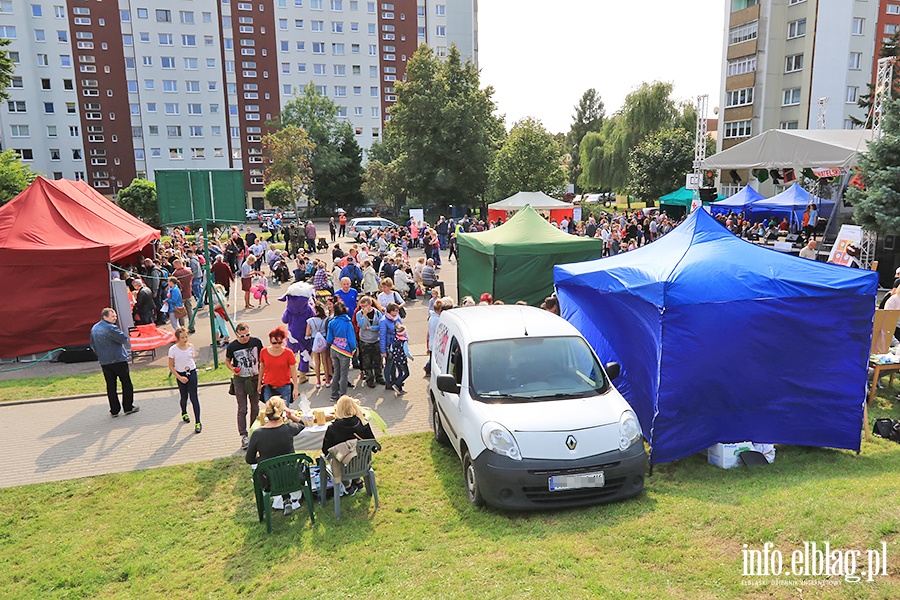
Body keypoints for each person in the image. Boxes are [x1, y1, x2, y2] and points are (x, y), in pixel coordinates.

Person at [245, 397, 307, 515]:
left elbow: (249, 459)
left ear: (266, 415)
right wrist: (290, 416)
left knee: (272, 469)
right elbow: (302, 424)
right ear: (281, 413)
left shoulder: (257, 434)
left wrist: (261, 460)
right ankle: (286, 498)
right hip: (293, 477)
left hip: (269, 480)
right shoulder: (289, 429)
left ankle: (285, 500)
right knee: (284, 467)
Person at [321, 395, 376, 496]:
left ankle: (348, 486)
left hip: (343, 466)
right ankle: (358, 481)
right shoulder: (363, 424)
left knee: (338, 457)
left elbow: (325, 450)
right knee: (355, 455)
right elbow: (373, 445)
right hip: (362, 464)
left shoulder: (333, 428)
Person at [90, 308, 138, 418]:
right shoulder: (111, 328)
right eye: (113, 316)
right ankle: (128, 407)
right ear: (105, 317)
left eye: (115, 316)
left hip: (104, 361)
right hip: (118, 359)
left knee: (111, 386)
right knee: (126, 383)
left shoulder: (94, 328)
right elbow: (124, 339)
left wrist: (100, 355)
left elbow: (92, 345)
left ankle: (114, 410)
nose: (115, 318)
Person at [226, 322, 264, 450]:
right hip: (240, 380)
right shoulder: (232, 346)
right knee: (242, 408)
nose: (246, 338)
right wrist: (232, 368)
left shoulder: (256, 342)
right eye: (242, 336)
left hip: (254, 378)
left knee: (255, 406)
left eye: (247, 334)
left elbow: (262, 358)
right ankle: (244, 435)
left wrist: (262, 375)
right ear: (237, 335)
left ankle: (254, 431)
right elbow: (227, 361)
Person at [167, 327, 202, 432]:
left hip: (191, 372)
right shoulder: (173, 350)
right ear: (178, 338)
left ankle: (198, 422)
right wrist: (180, 377)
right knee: (184, 397)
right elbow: (171, 366)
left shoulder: (191, 347)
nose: (185, 339)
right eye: (182, 337)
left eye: (186, 337)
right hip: (180, 374)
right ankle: (184, 412)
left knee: (194, 397)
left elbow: (191, 359)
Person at [258, 327, 300, 405]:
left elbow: (293, 371)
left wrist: (295, 388)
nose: (277, 345)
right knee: (270, 410)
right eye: (274, 343)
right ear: (270, 341)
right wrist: (259, 383)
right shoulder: (264, 352)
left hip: (284, 386)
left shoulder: (288, 353)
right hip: (268, 386)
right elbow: (262, 368)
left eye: (279, 342)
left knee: (284, 411)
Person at [326, 299, 357, 401]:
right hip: (345, 351)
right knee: (344, 374)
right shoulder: (347, 323)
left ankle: (333, 394)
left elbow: (329, 339)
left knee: (336, 373)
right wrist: (354, 348)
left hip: (334, 349)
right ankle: (343, 395)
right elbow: (351, 339)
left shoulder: (332, 322)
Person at [356, 296, 384, 388]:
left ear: (370, 304)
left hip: (376, 340)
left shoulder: (377, 313)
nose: (363, 308)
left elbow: (380, 326)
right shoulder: (359, 314)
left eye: (365, 306)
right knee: (367, 362)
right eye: (361, 306)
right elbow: (362, 326)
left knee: (378, 360)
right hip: (365, 341)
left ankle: (379, 377)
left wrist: (371, 328)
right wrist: (364, 315)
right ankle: (370, 379)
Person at [306, 302, 332, 389]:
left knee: (317, 363)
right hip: (323, 340)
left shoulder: (310, 320)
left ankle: (318, 381)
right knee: (325, 361)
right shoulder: (326, 319)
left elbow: (307, 333)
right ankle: (327, 380)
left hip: (314, 340)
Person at [380, 302, 402, 392]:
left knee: (394, 364)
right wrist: (383, 351)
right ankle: (388, 382)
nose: (397, 313)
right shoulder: (384, 321)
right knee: (388, 364)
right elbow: (382, 336)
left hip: (396, 344)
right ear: (390, 311)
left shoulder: (396, 319)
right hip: (389, 345)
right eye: (395, 311)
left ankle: (394, 379)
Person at [172, 259, 195, 333]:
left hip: (180, 295)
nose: (174, 266)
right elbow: (191, 279)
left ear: (178, 264)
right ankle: (192, 326)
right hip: (188, 293)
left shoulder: (176, 274)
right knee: (189, 311)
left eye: (174, 265)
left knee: (181, 312)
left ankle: (182, 328)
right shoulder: (188, 271)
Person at [390, 323, 414, 395]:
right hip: (402, 360)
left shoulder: (395, 338)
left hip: (396, 359)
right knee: (406, 373)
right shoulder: (404, 341)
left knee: (400, 373)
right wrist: (411, 357)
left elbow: (391, 349)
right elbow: (406, 352)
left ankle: (399, 389)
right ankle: (397, 385)